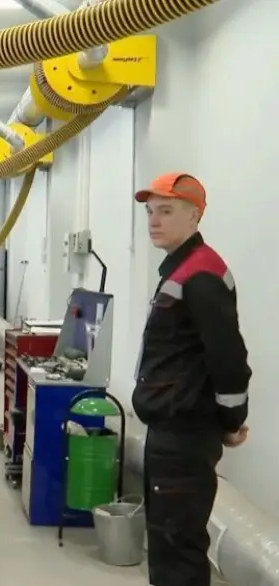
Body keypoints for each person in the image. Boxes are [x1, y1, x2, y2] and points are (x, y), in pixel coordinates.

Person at [132, 172, 251, 586]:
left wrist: (232, 420)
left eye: (166, 211)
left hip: (184, 435)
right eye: (150, 212)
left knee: (177, 550)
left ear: (194, 216)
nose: (153, 221)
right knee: (166, 545)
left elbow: (229, 357)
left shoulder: (200, 274)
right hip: (170, 430)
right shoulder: (182, 269)